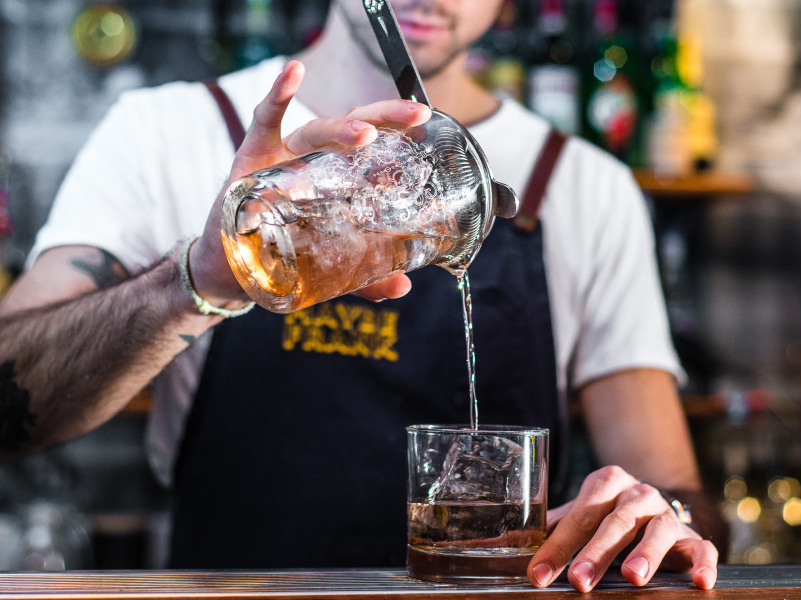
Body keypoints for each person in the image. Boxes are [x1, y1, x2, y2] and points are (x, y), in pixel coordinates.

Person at [0, 0, 726, 591]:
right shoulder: (164, 133)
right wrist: (199, 279)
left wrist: (658, 517)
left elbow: (680, 497)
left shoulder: (586, 187)